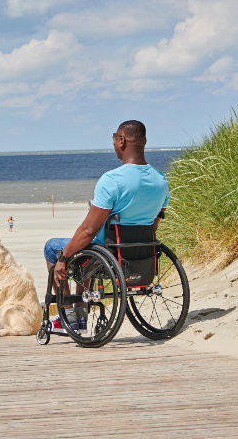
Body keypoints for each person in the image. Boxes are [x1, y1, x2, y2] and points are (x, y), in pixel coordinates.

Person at [44, 120, 169, 329]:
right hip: (141, 251)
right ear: (144, 142)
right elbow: (154, 224)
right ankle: (81, 312)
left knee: (52, 247)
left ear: (121, 141)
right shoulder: (161, 180)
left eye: (114, 138)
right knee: (88, 247)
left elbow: (88, 230)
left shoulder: (112, 180)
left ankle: (71, 316)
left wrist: (64, 257)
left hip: (107, 250)